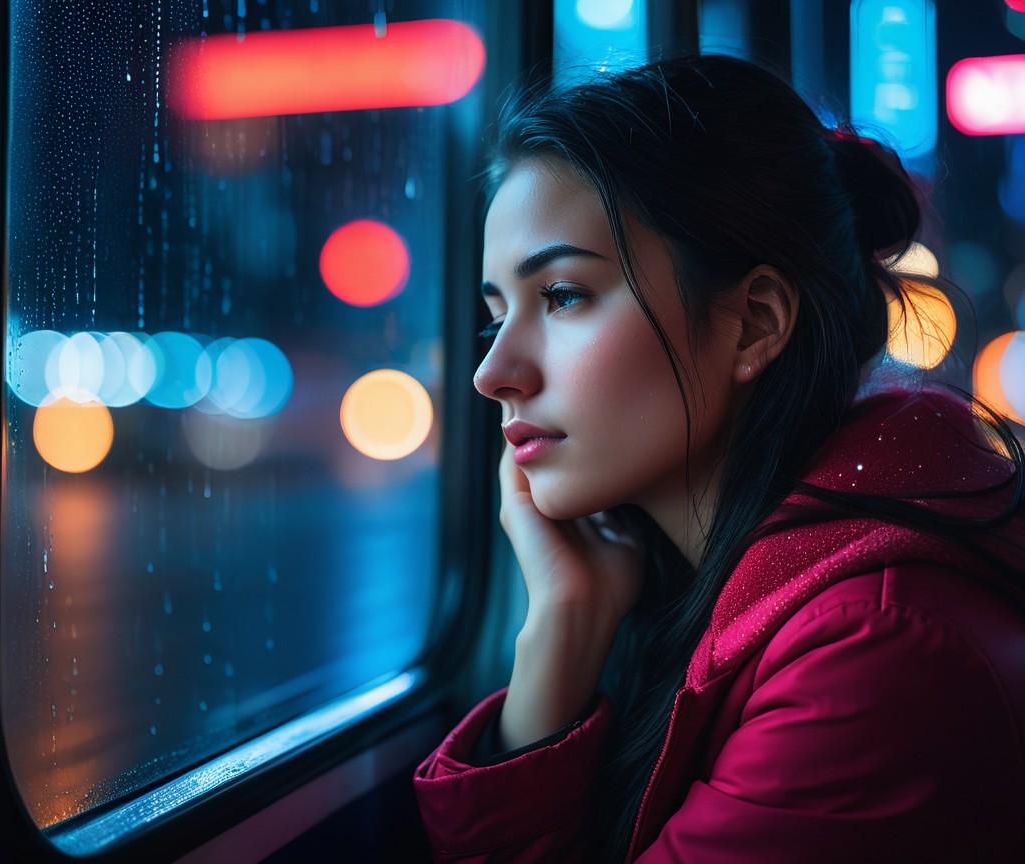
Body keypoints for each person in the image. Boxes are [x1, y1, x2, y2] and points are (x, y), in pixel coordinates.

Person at [412, 54, 1025, 863]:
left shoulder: (875, 655)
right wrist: (562, 624)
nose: (494, 374)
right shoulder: (738, 594)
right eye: (496, 318)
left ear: (754, 324)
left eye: (561, 296)